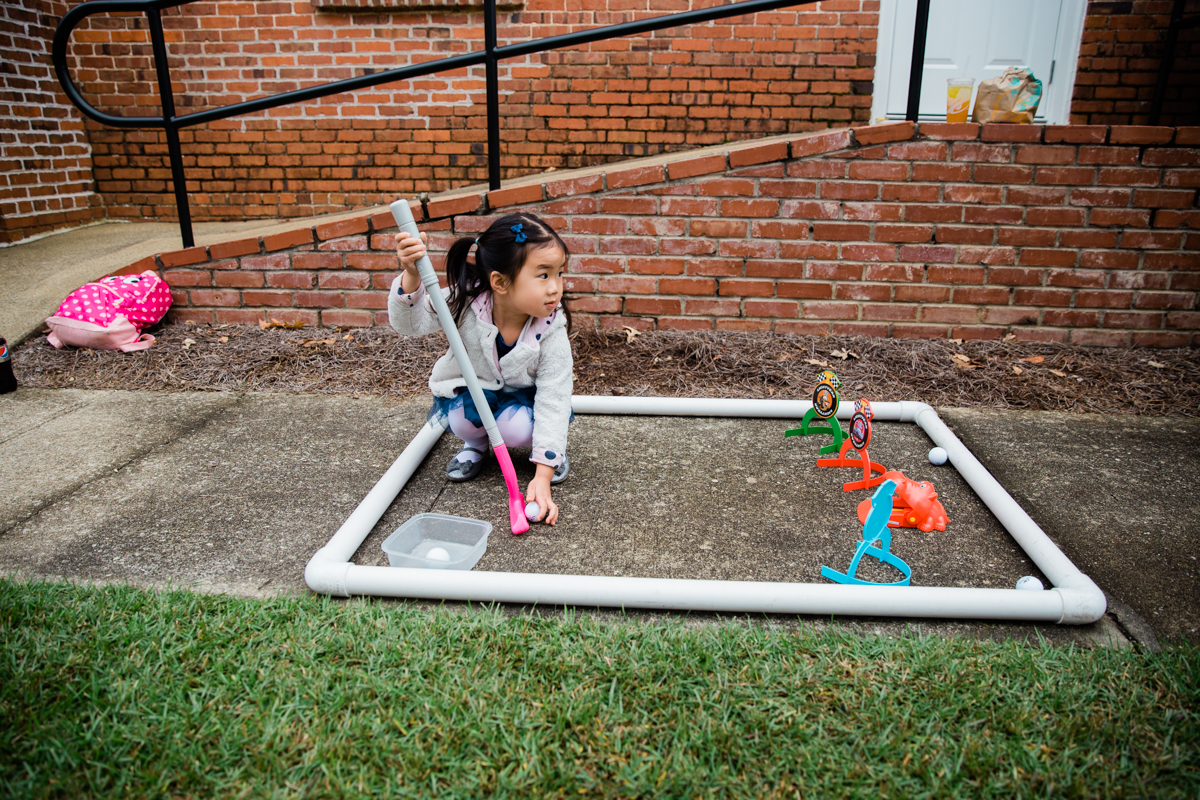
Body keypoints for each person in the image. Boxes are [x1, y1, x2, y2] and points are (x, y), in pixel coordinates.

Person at [390, 212, 573, 525]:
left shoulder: (551, 328)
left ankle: (550, 453)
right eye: (543, 275)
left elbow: (554, 397)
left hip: (524, 403)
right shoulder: (465, 301)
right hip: (479, 394)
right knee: (460, 420)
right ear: (500, 282)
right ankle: (475, 446)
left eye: (559, 273)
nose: (556, 288)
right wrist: (411, 276)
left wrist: (543, 473)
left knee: (514, 430)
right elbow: (410, 324)